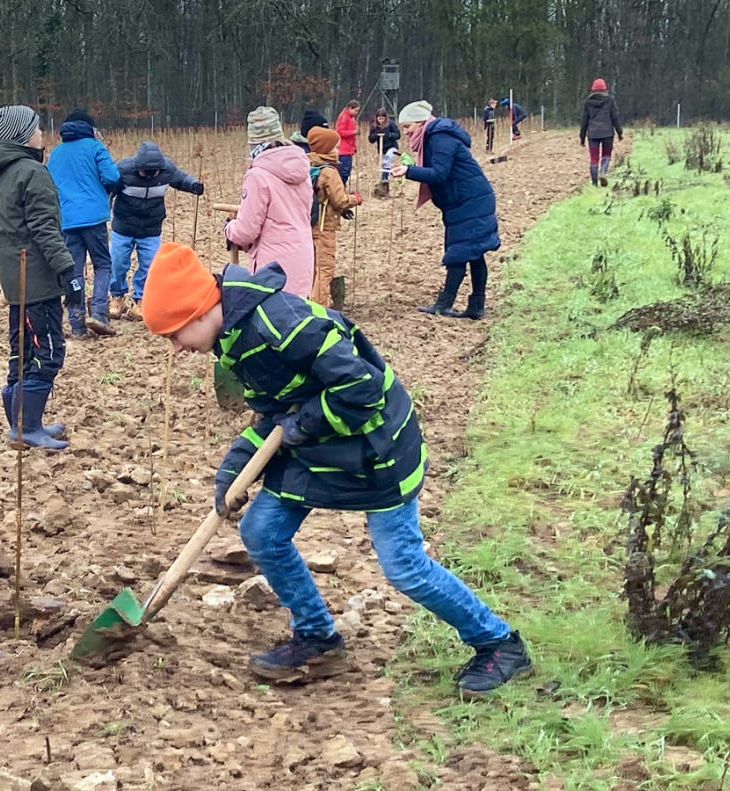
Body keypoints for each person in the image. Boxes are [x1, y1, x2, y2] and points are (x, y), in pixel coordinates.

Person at [138, 243, 533, 697]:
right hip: (322, 445)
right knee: (262, 531)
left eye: (174, 333)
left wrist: (298, 425)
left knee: (402, 564)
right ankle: (318, 640)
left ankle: (498, 643)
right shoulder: (231, 337)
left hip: (376, 445)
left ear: (200, 309)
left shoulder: (282, 325)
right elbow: (274, 413)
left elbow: (361, 390)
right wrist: (235, 466)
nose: (175, 346)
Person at [0, 105, 85, 452]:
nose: (42, 133)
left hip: (15, 283)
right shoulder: (31, 173)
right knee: (48, 350)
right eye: (37, 128)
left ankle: (23, 422)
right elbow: (45, 231)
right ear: (22, 135)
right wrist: (68, 271)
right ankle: (26, 427)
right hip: (38, 281)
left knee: (22, 351)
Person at [390, 100, 499, 320]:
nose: (405, 132)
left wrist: (408, 171)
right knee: (474, 253)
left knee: (459, 253)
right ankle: (476, 306)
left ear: (421, 123)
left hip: (469, 201)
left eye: (407, 126)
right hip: (465, 200)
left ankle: (444, 304)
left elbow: (439, 173)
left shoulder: (439, 138)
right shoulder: (433, 136)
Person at [224, 106, 315, 298]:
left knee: (274, 323)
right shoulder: (302, 168)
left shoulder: (258, 175)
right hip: (303, 258)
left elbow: (246, 231)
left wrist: (230, 228)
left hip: (273, 268)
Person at [107, 141, 205, 320]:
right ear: (137, 168)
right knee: (117, 262)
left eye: (154, 173)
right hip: (124, 226)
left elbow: (181, 179)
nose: (150, 176)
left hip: (151, 228)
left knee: (150, 265)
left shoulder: (167, 169)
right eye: (146, 173)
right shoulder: (123, 170)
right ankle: (117, 297)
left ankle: (141, 300)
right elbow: (109, 191)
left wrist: (193, 185)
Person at [47, 107, 120, 337]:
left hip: (67, 220)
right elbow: (113, 177)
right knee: (102, 264)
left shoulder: (56, 154)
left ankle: (76, 322)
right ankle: (98, 313)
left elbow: (48, 185)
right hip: (94, 217)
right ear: (89, 128)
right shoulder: (95, 147)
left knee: (74, 270)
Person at [306, 127, 361, 307]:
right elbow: (339, 201)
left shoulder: (307, 165)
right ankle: (318, 307)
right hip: (324, 227)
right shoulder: (329, 172)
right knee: (325, 269)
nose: (338, 151)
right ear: (326, 149)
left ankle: (309, 301)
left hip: (308, 226)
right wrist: (355, 199)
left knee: (312, 268)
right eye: (335, 147)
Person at [580, 78, 623, 187]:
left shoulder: (588, 102)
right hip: (607, 133)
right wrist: (619, 132)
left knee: (594, 158)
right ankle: (603, 172)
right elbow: (615, 118)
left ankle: (594, 184)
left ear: (592, 90)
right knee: (606, 154)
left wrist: (582, 137)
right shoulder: (610, 101)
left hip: (593, 134)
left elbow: (584, 120)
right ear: (605, 90)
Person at [334, 100, 360, 186]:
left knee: (346, 170)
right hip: (343, 149)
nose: (356, 113)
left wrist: (354, 147)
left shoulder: (351, 117)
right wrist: (353, 132)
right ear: (349, 108)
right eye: (355, 110)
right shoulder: (344, 117)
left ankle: (341, 187)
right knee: (344, 171)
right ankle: (340, 188)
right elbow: (340, 131)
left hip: (348, 148)